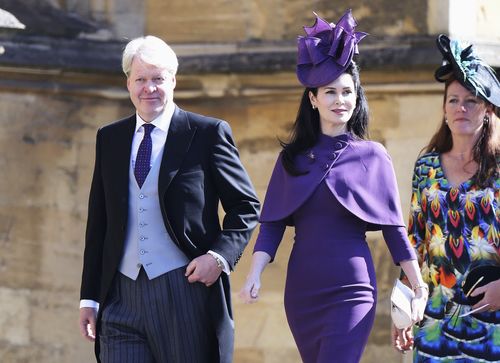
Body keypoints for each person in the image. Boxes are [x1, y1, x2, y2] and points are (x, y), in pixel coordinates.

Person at [239, 9, 428, 363]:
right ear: (313, 99)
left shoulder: (374, 156)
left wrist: (418, 285)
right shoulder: (292, 159)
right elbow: (272, 224)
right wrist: (255, 273)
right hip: (303, 291)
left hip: (353, 290)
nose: (340, 100)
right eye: (330, 92)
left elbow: (394, 229)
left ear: (357, 97)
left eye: (347, 92)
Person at [78, 35, 260, 363]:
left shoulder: (207, 133)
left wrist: (218, 258)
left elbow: (245, 206)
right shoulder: (110, 138)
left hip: (184, 291)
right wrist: (89, 298)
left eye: (158, 79)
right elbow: (99, 223)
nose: (150, 88)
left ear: (173, 80)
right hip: (120, 296)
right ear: (128, 83)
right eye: (141, 80)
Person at [392, 34, 500, 361]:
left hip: (493, 315)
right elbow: (414, 240)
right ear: (444, 108)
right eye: (453, 100)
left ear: (488, 109)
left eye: (471, 100)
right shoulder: (426, 166)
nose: (461, 108)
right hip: (435, 316)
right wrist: (403, 302)